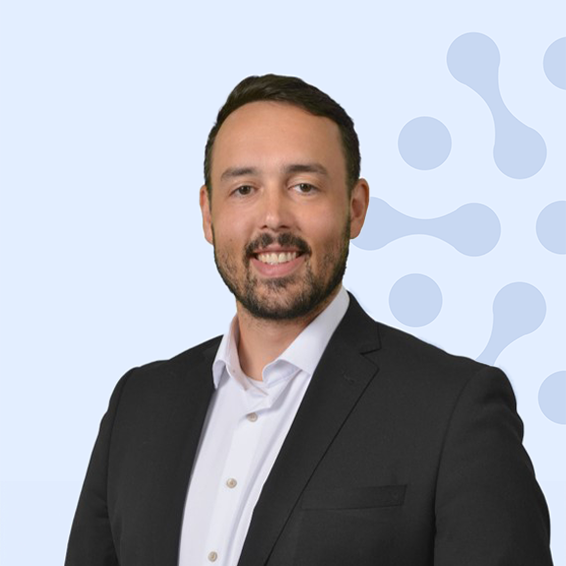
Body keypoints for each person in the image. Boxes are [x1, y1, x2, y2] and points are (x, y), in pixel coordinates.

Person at [65, 74, 554, 566]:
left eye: (304, 186)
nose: (273, 218)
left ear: (355, 208)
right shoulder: (138, 407)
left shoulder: (454, 410)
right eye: (244, 189)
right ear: (208, 214)